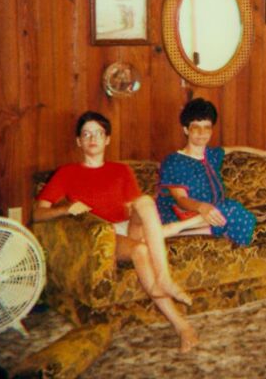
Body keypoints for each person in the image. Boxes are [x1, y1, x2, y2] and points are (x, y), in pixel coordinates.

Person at [33, 112, 198, 353]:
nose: (92, 138)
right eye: (86, 134)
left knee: (144, 202)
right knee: (140, 251)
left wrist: (141, 218)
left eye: (98, 133)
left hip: (128, 225)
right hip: (104, 236)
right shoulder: (67, 173)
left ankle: (164, 278)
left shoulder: (120, 170)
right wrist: (66, 209)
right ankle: (183, 328)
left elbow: (135, 208)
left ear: (107, 139)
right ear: (79, 141)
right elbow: (37, 214)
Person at [156, 97, 266, 244]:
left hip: (213, 215)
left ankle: (184, 231)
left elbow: (235, 149)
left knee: (244, 217)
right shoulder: (174, 161)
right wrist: (202, 207)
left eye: (207, 127)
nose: (202, 133)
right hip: (182, 214)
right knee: (235, 211)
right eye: (196, 127)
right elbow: (181, 199)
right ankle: (177, 228)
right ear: (186, 130)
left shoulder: (211, 155)